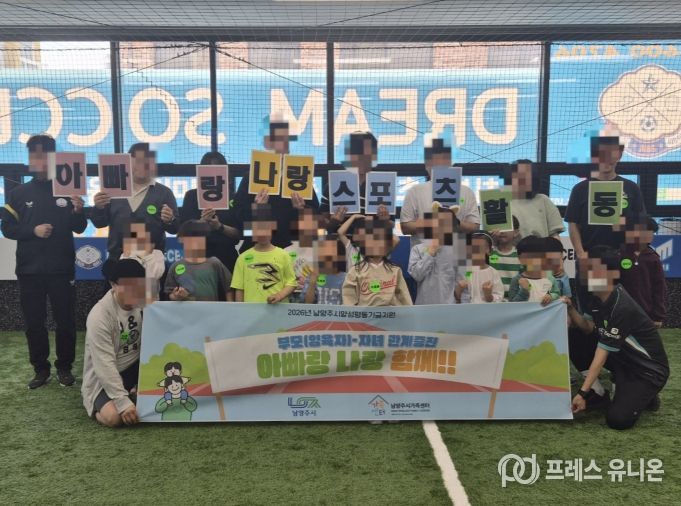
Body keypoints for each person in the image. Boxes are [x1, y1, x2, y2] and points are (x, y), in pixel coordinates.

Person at [0, 134, 87, 388]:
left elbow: (80, 227)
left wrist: (78, 210)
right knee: (34, 323)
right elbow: (7, 228)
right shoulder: (18, 193)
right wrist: (33, 231)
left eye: (44, 154)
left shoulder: (68, 190)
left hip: (62, 269)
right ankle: (40, 369)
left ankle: (64, 368)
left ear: (54, 158)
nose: (38, 159)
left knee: (65, 322)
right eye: (34, 155)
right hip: (29, 270)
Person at [562, 246, 669, 430]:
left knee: (618, 420)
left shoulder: (622, 306)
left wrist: (582, 392)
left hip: (646, 370)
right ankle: (598, 392)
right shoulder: (595, 296)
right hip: (622, 359)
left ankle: (647, 395)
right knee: (574, 334)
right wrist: (570, 308)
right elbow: (587, 327)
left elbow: (602, 353)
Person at [565, 136, 646, 313]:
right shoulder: (580, 189)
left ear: (620, 155)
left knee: (622, 309)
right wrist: (581, 253)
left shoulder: (631, 188)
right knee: (589, 309)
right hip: (590, 257)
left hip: (621, 258)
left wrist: (634, 252)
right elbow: (573, 223)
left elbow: (640, 224)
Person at [232, 113, 320, 252]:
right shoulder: (251, 177)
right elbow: (239, 220)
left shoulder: (299, 176)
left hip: (292, 250)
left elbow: (314, 223)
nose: (283, 143)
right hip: (257, 249)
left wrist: (301, 210)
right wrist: (257, 208)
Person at [82, 258, 146, 427]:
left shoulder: (145, 303)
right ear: (113, 285)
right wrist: (122, 402)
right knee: (114, 418)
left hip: (136, 366)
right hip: (107, 374)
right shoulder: (99, 316)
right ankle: (98, 407)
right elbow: (104, 364)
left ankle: (133, 390)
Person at [91, 142, 179, 260]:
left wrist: (170, 220)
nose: (143, 165)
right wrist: (98, 208)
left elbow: (175, 229)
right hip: (117, 259)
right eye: (138, 161)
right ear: (128, 162)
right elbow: (99, 223)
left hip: (152, 261)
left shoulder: (164, 193)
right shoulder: (112, 190)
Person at [400, 136, 480, 248]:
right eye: (433, 160)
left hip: (457, 253)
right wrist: (431, 223)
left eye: (445, 159)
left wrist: (456, 223)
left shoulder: (466, 192)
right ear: (426, 164)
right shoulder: (415, 191)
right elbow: (405, 227)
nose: (440, 163)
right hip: (424, 254)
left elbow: (475, 227)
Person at [321, 131, 393, 237]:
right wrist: (334, 221)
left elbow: (391, 225)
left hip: (373, 243)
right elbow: (323, 224)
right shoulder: (333, 185)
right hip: (340, 243)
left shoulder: (383, 184)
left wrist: (385, 220)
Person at [179, 151, 242, 273]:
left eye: (217, 169)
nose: (213, 174)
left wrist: (219, 226)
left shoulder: (233, 198)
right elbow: (183, 233)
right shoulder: (191, 196)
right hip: (198, 258)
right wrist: (201, 223)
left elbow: (239, 234)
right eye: (208, 170)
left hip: (227, 257)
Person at [231, 203, 298, 303]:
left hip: (278, 309)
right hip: (252, 310)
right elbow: (239, 288)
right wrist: (240, 310)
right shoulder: (243, 258)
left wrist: (279, 296)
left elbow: (291, 283)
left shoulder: (283, 255)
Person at [342, 217, 412, 307]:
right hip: (365, 314)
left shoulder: (395, 270)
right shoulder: (355, 271)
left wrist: (408, 312)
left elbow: (404, 298)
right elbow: (349, 299)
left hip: (391, 314)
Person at [408, 206, 465, 305]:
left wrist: (461, 303)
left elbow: (462, 282)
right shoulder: (417, 249)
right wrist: (431, 252)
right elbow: (416, 275)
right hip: (424, 306)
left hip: (449, 306)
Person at [165, 220, 233, 301]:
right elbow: (169, 293)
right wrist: (176, 296)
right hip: (185, 309)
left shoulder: (214, 263)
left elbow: (229, 287)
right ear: (181, 239)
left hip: (210, 308)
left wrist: (230, 305)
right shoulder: (175, 266)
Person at [619, 215, 667, 328]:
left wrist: (658, 316)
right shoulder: (619, 254)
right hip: (620, 312)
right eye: (646, 231)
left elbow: (659, 288)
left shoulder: (653, 258)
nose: (649, 235)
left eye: (652, 232)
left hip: (645, 313)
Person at [506, 160, 564, 240]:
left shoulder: (543, 200)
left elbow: (555, 235)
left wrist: (555, 246)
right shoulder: (503, 200)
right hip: (512, 247)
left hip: (541, 246)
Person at [119, 219, 166, 303]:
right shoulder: (125, 255)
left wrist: (147, 255)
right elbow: (127, 277)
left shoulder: (157, 253)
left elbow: (156, 274)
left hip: (152, 301)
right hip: (131, 300)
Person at [508, 235, 560, 305]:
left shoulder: (550, 278)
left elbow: (557, 293)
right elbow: (511, 305)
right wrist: (524, 291)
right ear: (520, 258)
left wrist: (551, 296)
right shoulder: (517, 280)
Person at [455, 231, 503, 304]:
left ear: (489, 250)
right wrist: (459, 288)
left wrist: (488, 296)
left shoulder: (493, 273)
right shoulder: (464, 271)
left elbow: (499, 296)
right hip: (467, 309)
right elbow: (456, 298)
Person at [303, 236, 346, 305]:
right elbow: (307, 304)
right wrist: (312, 283)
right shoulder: (313, 274)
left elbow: (349, 305)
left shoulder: (346, 278)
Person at [490, 215, 522, 300]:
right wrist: (490, 239)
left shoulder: (520, 255)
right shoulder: (490, 253)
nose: (502, 231)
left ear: (516, 232)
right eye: (499, 227)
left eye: (506, 227)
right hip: (493, 300)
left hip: (516, 301)